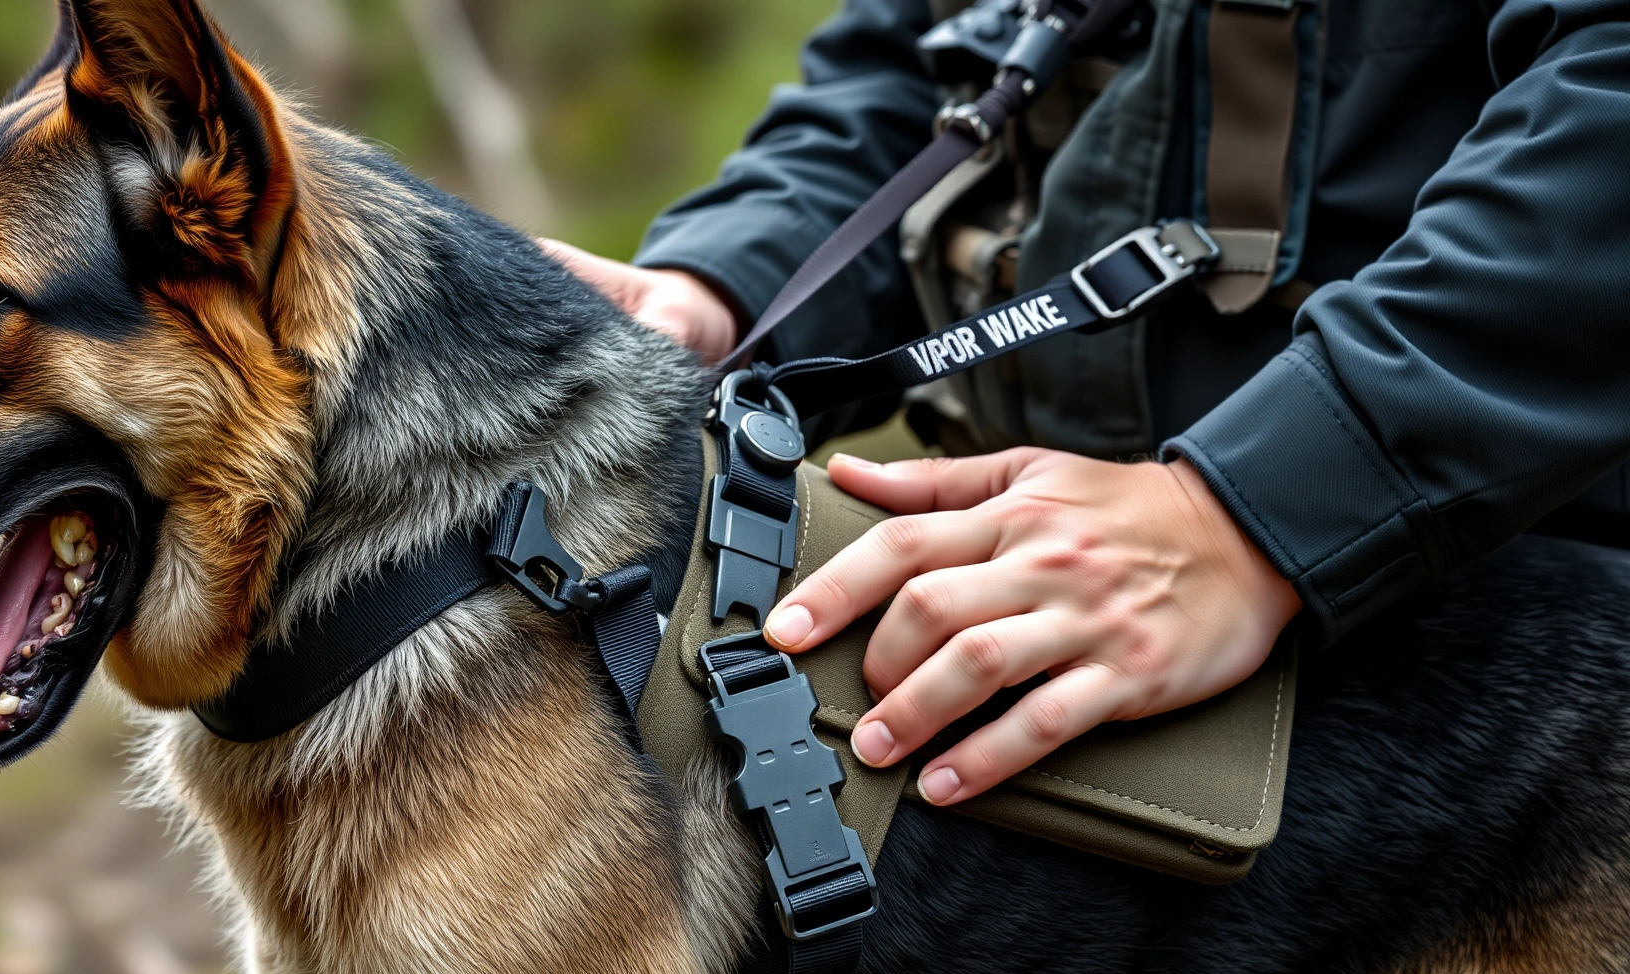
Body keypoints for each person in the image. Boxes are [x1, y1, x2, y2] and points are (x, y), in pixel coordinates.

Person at [545, 0, 1630, 809]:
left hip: (1537, 694)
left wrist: (1249, 512)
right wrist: (729, 296)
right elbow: (909, 71)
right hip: (1042, 654)